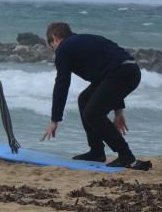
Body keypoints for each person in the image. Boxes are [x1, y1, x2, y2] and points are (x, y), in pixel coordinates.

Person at [40, 22, 148, 169]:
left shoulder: (64, 48)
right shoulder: (83, 42)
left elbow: (62, 84)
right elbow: (112, 69)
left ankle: (126, 156)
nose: (54, 51)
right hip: (130, 71)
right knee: (84, 100)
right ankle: (96, 152)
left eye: (52, 46)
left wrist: (55, 120)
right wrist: (118, 112)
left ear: (55, 37)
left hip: (120, 73)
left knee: (93, 113)